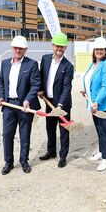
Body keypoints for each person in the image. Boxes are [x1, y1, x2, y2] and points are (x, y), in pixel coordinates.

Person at [0, 35, 41, 175]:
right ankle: (8, 162)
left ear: (25, 49)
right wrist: (1, 97)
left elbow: (35, 85)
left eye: (21, 48)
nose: (18, 50)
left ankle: (24, 161)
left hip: (24, 107)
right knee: (7, 135)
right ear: (12, 48)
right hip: (9, 105)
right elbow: (1, 83)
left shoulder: (32, 64)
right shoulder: (4, 63)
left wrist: (27, 100)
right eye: (16, 47)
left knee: (24, 135)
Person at [80, 37, 106, 171]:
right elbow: (90, 80)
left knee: (104, 131)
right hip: (94, 103)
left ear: (105, 50)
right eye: (96, 49)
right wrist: (85, 90)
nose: (99, 51)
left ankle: (105, 159)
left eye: (101, 49)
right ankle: (102, 152)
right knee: (99, 129)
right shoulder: (93, 64)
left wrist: (97, 101)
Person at [37, 32, 74, 168]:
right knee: (50, 128)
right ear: (52, 45)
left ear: (65, 48)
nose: (59, 49)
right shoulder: (45, 59)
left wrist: (60, 105)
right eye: (57, 46)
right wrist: (40, 89)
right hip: (49, 101)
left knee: (64, 130)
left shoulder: (68, 66)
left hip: (62, 105)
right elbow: (42, 77)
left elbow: (67, 87)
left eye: (62, 47)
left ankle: (63, 156)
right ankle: (51, 151)